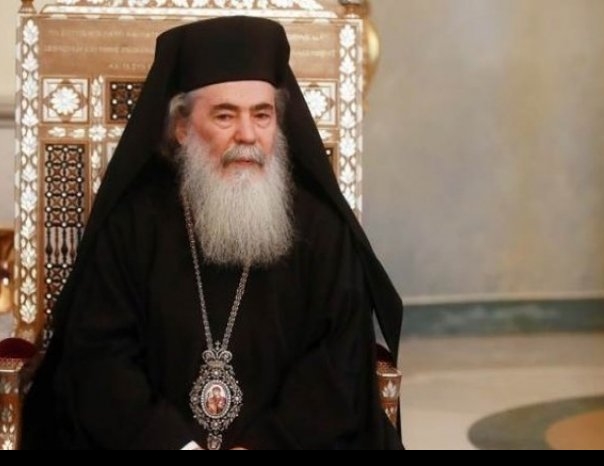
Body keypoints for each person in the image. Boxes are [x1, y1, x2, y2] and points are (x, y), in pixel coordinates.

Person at [20, 16, 403, 450]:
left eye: (262, 115)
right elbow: (100, 357)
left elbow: (337, 365)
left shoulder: (321, 230)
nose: (248, 135)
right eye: (225, 115)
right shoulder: (133, 225)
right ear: (182, 128)